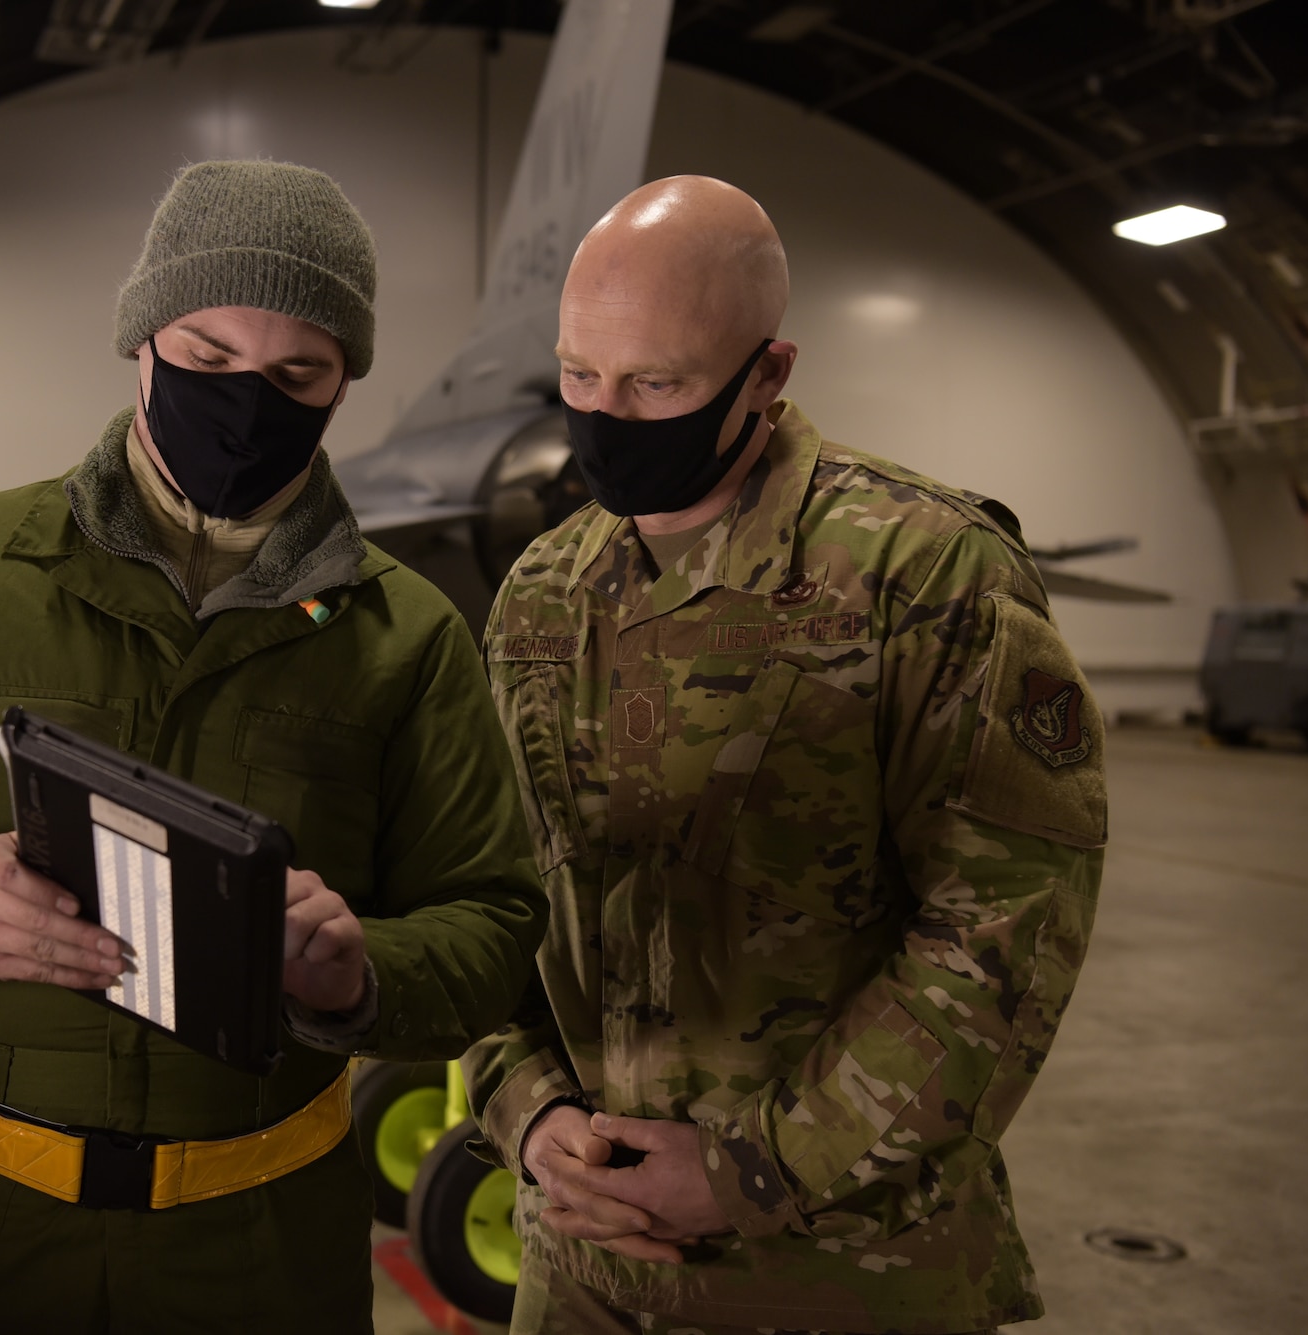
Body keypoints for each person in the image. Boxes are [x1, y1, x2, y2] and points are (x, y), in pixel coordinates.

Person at [0, 159, 546, 1334]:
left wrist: (358, 973)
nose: (245, 400)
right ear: (142, 344)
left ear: (340, 387)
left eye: (296, 372)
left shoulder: (405, 638)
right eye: (209, 359)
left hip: (264, 1253)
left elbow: (492, 922)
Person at [465, 175, 1105, 1334]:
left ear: (766, 373)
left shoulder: (921, 573)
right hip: (581, 1270)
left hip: (840, 1272)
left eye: (655, 383)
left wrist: (748, 1170)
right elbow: (496, 896)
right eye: (576, 375)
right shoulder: (541, 597)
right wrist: (528, 1112)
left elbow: (1005, 928)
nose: (603, 416)